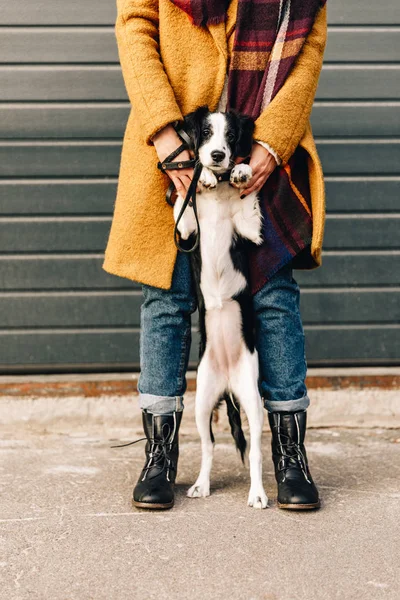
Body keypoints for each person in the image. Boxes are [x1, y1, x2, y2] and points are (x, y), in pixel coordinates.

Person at [103, 0, 328, 510]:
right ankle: (160, 458)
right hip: (177, 142)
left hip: (263, 143)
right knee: (166, 299)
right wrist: (164, 131)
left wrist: (274, 141)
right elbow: (135, 25)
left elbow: (308, 43)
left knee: (274, 298)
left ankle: (291, 459)